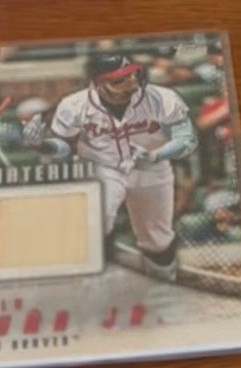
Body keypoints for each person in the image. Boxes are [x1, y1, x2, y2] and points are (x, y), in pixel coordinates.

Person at [23, 52, 197, 280]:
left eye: (131, 75)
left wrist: (157, 154)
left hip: (151, 167)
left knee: (157, 239)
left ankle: (164, 284)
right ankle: (98, 281)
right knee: (97, 220)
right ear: (97, 82)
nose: (130, 84)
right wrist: (41, 145)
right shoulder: (73, 105)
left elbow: (187, 140)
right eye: (119, 80)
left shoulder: (161, 98)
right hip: (101, 166)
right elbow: (65, 147)